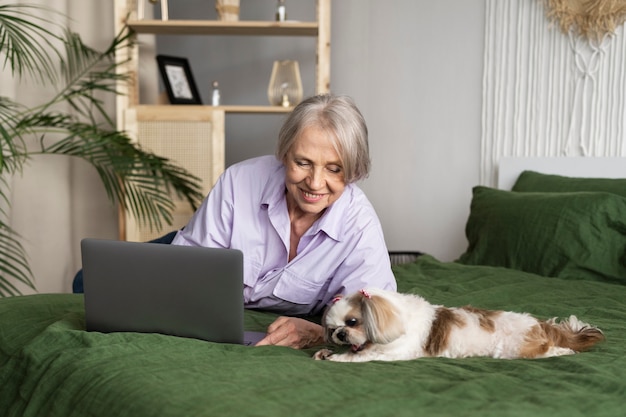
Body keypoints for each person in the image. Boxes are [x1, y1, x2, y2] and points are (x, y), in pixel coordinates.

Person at [171, 94, 397, 349]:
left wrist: (318, 332)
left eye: (334, 169)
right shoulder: (237, 182)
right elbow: (185, 271)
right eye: (303, 163)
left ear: (353, 170)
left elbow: (375, 317)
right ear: (285, 154)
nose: (314, 183)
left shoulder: (359, 223)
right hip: (174, 243)